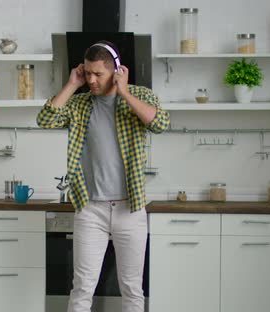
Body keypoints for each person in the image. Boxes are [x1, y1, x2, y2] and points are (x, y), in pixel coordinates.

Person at [37, 40, 170, 312]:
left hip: (130, 208)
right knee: (83, 286)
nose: (92, 80)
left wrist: (124, 93)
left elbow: (160, 123)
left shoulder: (141, 96)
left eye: (98, 74)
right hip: (90, 208)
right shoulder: (80, 104)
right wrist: (72, 84)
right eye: (87, 73)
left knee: (132, 287)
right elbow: (45, 119)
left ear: (117, 71)